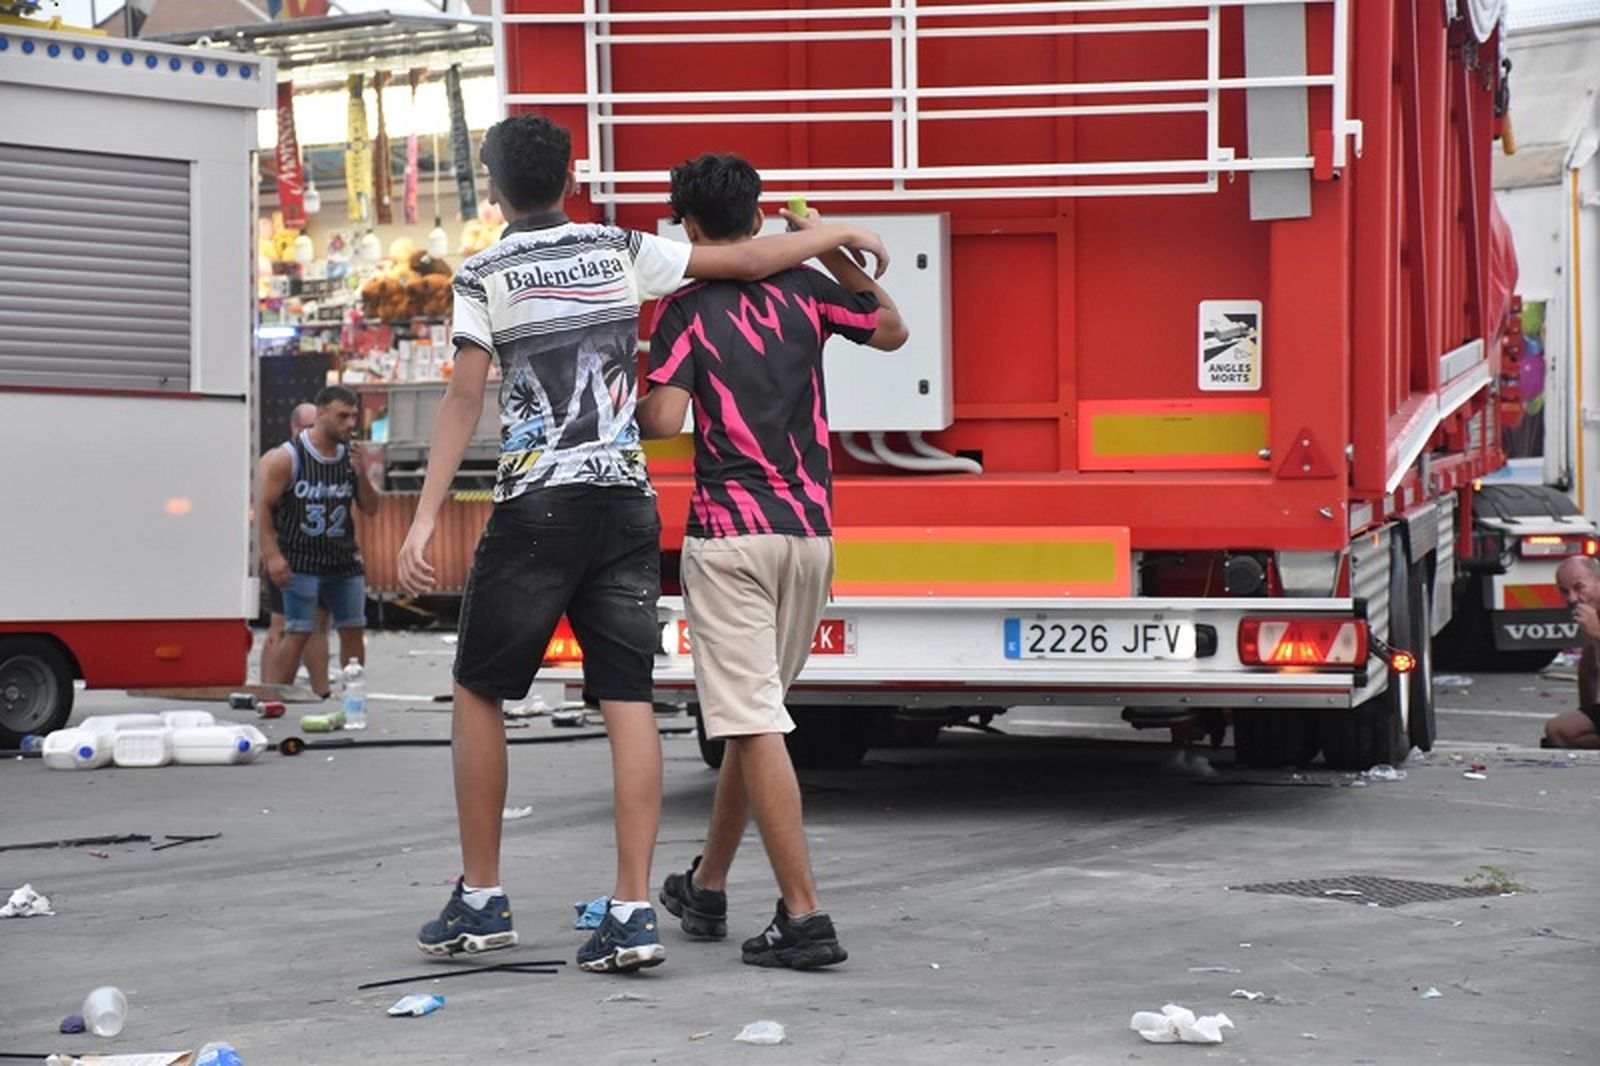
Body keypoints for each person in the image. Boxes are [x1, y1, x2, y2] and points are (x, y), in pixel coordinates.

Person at [394, 114, 891, 973]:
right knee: (626, 695)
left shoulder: (482, 274)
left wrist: (427, 514)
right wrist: (833, 233)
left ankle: (481, 898)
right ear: (570, 178)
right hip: (627, 504)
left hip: (540, 504)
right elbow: (748, 261)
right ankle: (632, 911)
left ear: (495, 187)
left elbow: (465, 399)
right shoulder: (620, 248)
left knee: (479, 688)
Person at [636, 154, 907, 969]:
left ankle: (804, 915)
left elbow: (665, 421)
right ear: (759, 218)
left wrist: (631, 396)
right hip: (809, 535)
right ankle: (707, 886)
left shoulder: (684, 310)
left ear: (687, 227)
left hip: (729, 538)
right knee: (751, 716)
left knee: (751, 720)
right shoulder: (810, 290)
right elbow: (890, 328)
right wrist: (828, 245)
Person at [259, 386, 379, 689]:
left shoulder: (350, 457)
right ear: (321, 414)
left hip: (342, 559)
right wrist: (272, 555)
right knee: (298, 630)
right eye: (342, 416)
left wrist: (362, 474)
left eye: (354, 416)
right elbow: (262, 506)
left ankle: (352, 694)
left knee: (353, 627)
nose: (351, 424)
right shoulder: (288, 457)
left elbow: (371, 507)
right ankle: (277, 696)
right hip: (300, 559)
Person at [260, 403, 332, 697]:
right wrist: (270, 554)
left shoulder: (327, 459)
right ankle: (269, 692)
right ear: (294, 427)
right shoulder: (277, 459)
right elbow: (260, 509)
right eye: (309, 427)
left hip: (320, 556)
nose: (315, 433)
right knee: (282, 624)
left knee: (318, 625)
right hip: (287, 555)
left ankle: (321, 693)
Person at [1542, 555, 1600, 748]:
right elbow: (1589, 668)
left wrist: (1597, 632)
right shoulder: (1592, 614)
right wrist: (1587, 711)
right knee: (1557, 732)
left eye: (1579, 587)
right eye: (1564, 591)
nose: (1572, 598)